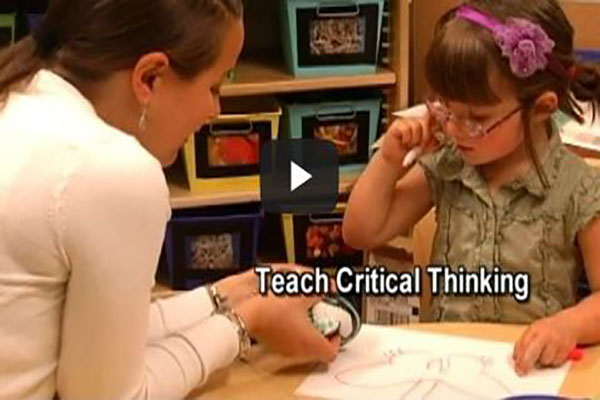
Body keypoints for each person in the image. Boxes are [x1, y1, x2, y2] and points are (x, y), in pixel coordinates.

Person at [0, 0, 340, 398]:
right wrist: (246, 323)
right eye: (214, 86)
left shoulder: (23, 99)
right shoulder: (110, 169)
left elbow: (102, 338)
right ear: (150, 78)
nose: (215, 110)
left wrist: (230, 293)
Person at [344, 0, 600, 377]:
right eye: (447, 109)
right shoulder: (449, 164)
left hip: (532, 374)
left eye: (476, 119)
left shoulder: (579, 185)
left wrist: (567, 326)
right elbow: (361, 232)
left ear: (541, 109)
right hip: (448, 369)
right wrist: (389, 161)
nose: (452, 129)